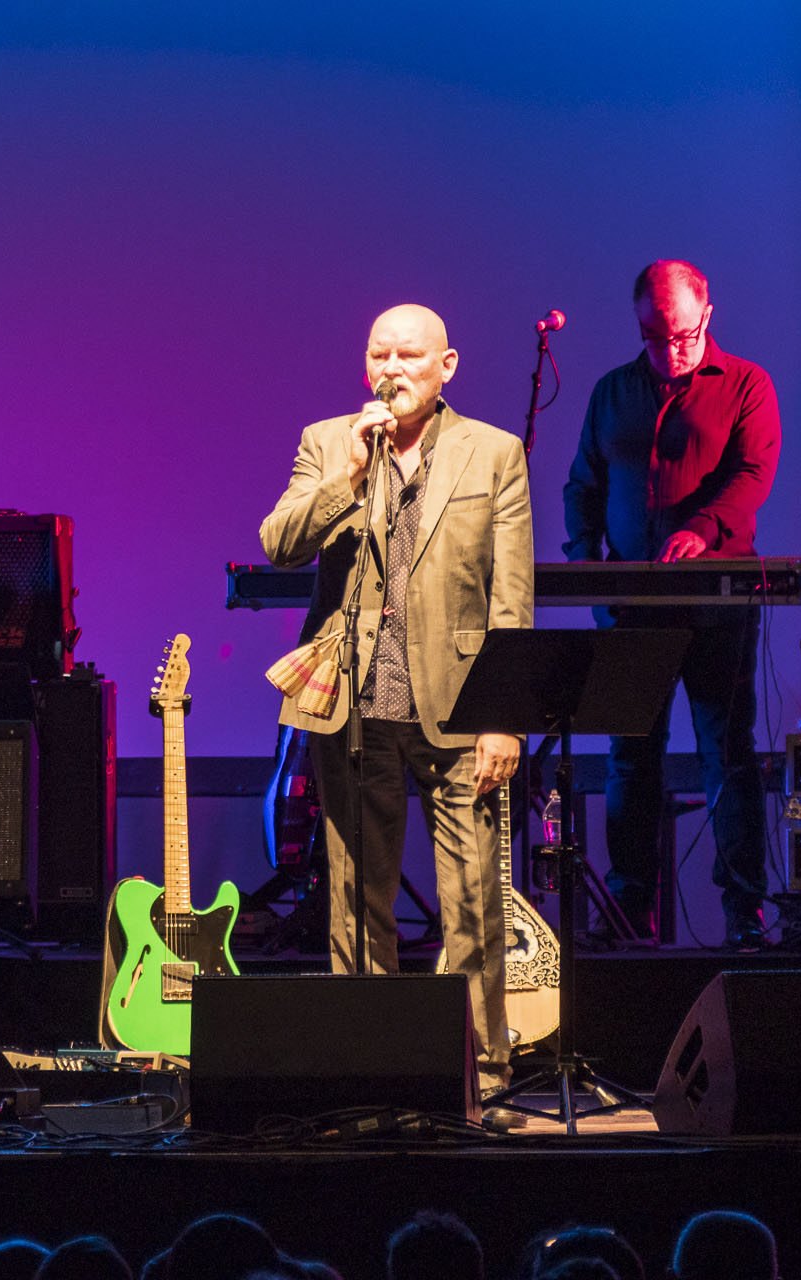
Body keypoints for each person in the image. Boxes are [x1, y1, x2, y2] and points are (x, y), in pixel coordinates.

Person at [261, 303, 534, 1099]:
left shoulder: (494, 453)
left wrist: (504, 717)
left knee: (474, 896)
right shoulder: (329, 442)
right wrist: (347, 474)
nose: (392, 368)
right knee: (355, 899)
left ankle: (483, 1068)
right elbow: (279, 542)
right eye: (379, 353)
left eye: (410, 355)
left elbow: (510, 601)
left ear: (446, 366)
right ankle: (370, 1063)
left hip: (459, 708)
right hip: (355, 710)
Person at [562, 261, 781, 949]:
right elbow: (583, 483)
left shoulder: (746, 384)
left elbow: (751, 475)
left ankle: (744, 913)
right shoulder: (612, 393)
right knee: (630, 756)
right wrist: (584, 561)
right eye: (656, 337)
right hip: (631, 608)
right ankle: (631, 908)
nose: (673, 350)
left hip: (717, 605)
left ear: (707, 315)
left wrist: (702, 529)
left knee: (726, 753)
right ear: (640, 327)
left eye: (683, 334)